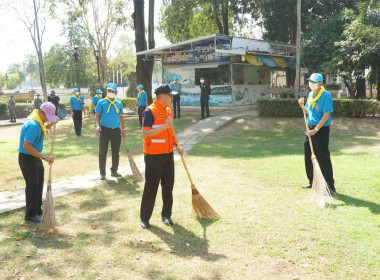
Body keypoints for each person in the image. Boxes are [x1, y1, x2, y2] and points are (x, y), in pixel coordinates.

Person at [140, 85, 184, 229]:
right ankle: (145, 218)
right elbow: (145, 133)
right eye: (170, 96)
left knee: (168, 185)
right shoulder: (149, 111)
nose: (172, 98)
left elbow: (170, 131)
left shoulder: (168, 111)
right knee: (151, 186)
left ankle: (166, 215)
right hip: (153, 156)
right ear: (162, 97)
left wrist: (177, 144)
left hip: (167, 154)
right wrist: (165, 126)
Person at [18, 102, 57, 222]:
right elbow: (27, 146)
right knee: (32, 186)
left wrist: (51, 124)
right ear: (41, 112)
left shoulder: (38, 120)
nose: (47, 120)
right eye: (47, 117)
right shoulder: (33, 125)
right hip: (28, 158)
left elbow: (43, 128)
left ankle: (37, 209)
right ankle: (30, 214)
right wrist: (44, 157)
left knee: (38, 183)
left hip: (34, 157)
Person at [298, 73, 336, 194]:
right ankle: (312, 182)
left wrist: (316, 130)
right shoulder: (310, 94)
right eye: (310, 81)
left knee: (323, 157)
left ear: (320, 83)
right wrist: (302, 106)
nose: (311, 84)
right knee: (309, 156)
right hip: (310, 129)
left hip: (320, 130)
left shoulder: (326, 95)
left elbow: (326, 115)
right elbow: (308, 112)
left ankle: (330, 186)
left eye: (314, 82)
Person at [95, 83, 125, 180]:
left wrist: (123, 129)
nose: (110, 92)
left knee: (115, 152)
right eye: (109, 91)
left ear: (116, 92)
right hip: (104, 129)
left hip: (116, 130)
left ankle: (114, 171)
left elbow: (121, 116)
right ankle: (102, 173)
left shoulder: (119, 103)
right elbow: (97, 115)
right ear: (106, 91)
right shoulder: (101, 102)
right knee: (102, 151)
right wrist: (97, 126)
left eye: (112, 91)